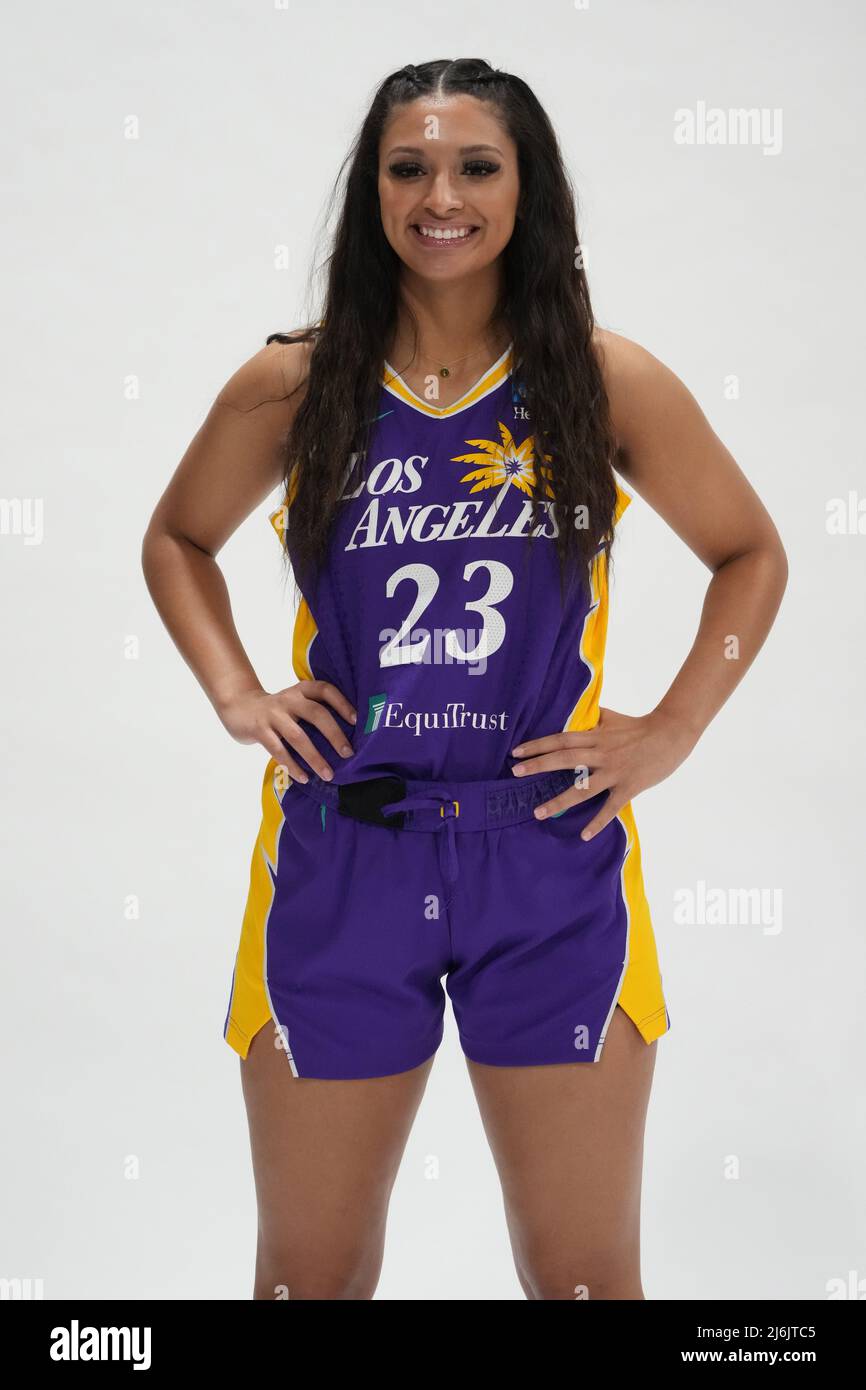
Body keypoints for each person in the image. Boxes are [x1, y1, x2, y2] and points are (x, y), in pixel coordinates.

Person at [141, 58, 787, 1300]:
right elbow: (177, 538)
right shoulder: (294, 381)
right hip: (342, 854)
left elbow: (747, 552)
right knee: (305, 1281)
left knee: (584, 1280)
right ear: (372, 191)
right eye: (409, 168)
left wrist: (672, 728)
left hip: (549, 859)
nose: (440, 196)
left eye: (475, 166)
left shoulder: (599, 378)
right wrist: (236, 693)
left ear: (524, 187)